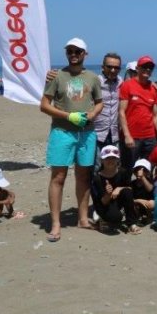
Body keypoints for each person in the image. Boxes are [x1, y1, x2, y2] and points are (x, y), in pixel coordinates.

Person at [40, 37, 103, 242]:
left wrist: (93, 114)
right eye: (70, 51)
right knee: (58, 176)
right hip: (62, 132)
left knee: (83, 176)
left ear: (85, 54)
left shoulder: (93, 78)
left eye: (78, 51)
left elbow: (99, 102)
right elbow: (44, 105)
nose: (73, 54)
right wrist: (68, 116)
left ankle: (83, 219)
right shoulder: (57, 76)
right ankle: (56, 223)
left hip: (86, 133)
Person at [118, 55, 157, 166]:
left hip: (150, 137)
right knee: (127, 168)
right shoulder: (127, 85)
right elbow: (121, 112)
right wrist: (127, 135)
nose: (147, 69)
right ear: (137, 68)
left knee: (147, 169)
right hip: (132, 136)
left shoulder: (153, 88)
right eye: (144, 66)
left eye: (150, 67)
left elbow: (156, 115)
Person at [90, 145, 140, 235]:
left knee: (127, 192)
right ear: (102, 160)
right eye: (107, 158)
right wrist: (108, 193)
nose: (110, 160)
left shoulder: (122, 172)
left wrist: (119, 188)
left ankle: (131, 223)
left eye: (113, 158)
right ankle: (101, 218)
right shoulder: (97, 178)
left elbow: (129, 188)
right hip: (104, 205)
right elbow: (103, 202)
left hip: (117, 200)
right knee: (116, 217)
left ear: (118, 160)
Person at [93, 52, 123, 158]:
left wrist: (153, 84)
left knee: (112, 167)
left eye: (116, 67)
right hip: (96, 133)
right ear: (102, 67)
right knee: (96, 167)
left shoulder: (121, 82)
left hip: (114, 134)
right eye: (109, 67)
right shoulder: (95, 82)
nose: (113, 70)